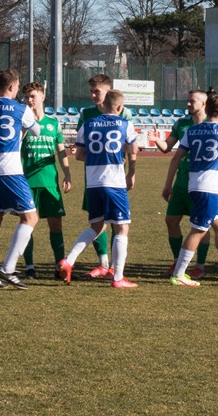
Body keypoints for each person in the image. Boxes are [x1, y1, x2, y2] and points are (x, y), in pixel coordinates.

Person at [164, 94, 218, 287]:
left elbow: (177, 156)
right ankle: (178, 274)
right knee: (198, 231)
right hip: (209, 188)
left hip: (193, 185)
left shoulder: (192, 131)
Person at [58, 89, 139, 288]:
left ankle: (68, 260)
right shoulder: (125, 124)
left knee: (97, 226)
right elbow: (132, 150)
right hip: (114, 182)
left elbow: (79, 155)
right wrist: (131, 171)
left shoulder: (87, 125)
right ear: (119, 107)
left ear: (104, 105)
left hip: (93, 184)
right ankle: (118, 277)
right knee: (122, 228)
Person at [0, 69, 42, 290]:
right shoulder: (20, 109)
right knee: (30, 218)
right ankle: (8, 267)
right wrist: (30, 116)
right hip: (10, 169)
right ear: (13, 87)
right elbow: (37, 130)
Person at [76, 74, 134, 278]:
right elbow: (81, 149)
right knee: (98, 221)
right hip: (93, 175)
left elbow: (129, 146)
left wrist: (131, 171)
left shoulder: (124, 113)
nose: (93, 95)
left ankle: (112, 268)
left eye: (97, 91)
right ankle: (103, 263)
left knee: (116, 221)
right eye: (91, 91)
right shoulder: (86, 114)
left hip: (114, 175)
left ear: (108, 92)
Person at [151, 90, 213, 279]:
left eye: (191, 101)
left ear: (203, 104)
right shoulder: (182, 124)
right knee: (171, 221)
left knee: (202, 227)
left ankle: (199, 266)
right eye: (187, 100)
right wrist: (157, 140)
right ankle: (178, 261)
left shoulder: (212, 125)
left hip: (201, 184)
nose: (187, 104)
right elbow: (167, 149)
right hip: (181, 184)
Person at [20, 81, 72, 279]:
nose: (30, 100)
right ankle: (29, 267)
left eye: (33, 96)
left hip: (50, 182)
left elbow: (61, 151)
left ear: (42, 97)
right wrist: (24, 129)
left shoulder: (53, 123)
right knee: (27, 225)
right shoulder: (22, 124)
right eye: (27, 97)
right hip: (27, 183)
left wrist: (67, 174)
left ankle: (59, 265)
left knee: (55, 225)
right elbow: (15, 147)